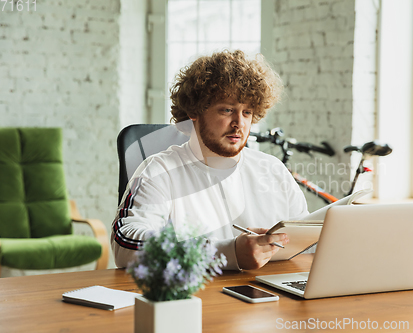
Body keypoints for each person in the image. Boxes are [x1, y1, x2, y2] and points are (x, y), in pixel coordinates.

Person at [112, 50, 308, 270]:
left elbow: (309, 242)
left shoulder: (272, 169)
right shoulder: (159, 170)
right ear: (194, 111)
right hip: (195, 299)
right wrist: (225, 252)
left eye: (247, 112)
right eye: (227, 110)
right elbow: (126, 244)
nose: (239, 124)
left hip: (269, 297)